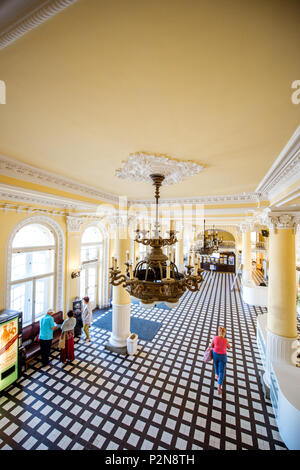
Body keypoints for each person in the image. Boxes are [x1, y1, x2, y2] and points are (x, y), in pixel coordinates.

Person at [210, 326, 231, 395]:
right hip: (223, 356)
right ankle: (219, 387)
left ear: (219, 332)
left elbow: (212, 346)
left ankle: (217, 375)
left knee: (215, 364)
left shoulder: (215, 338)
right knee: (222, 370)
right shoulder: (225, 340)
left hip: (215, 354)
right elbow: (229, 348)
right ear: (224, 333)